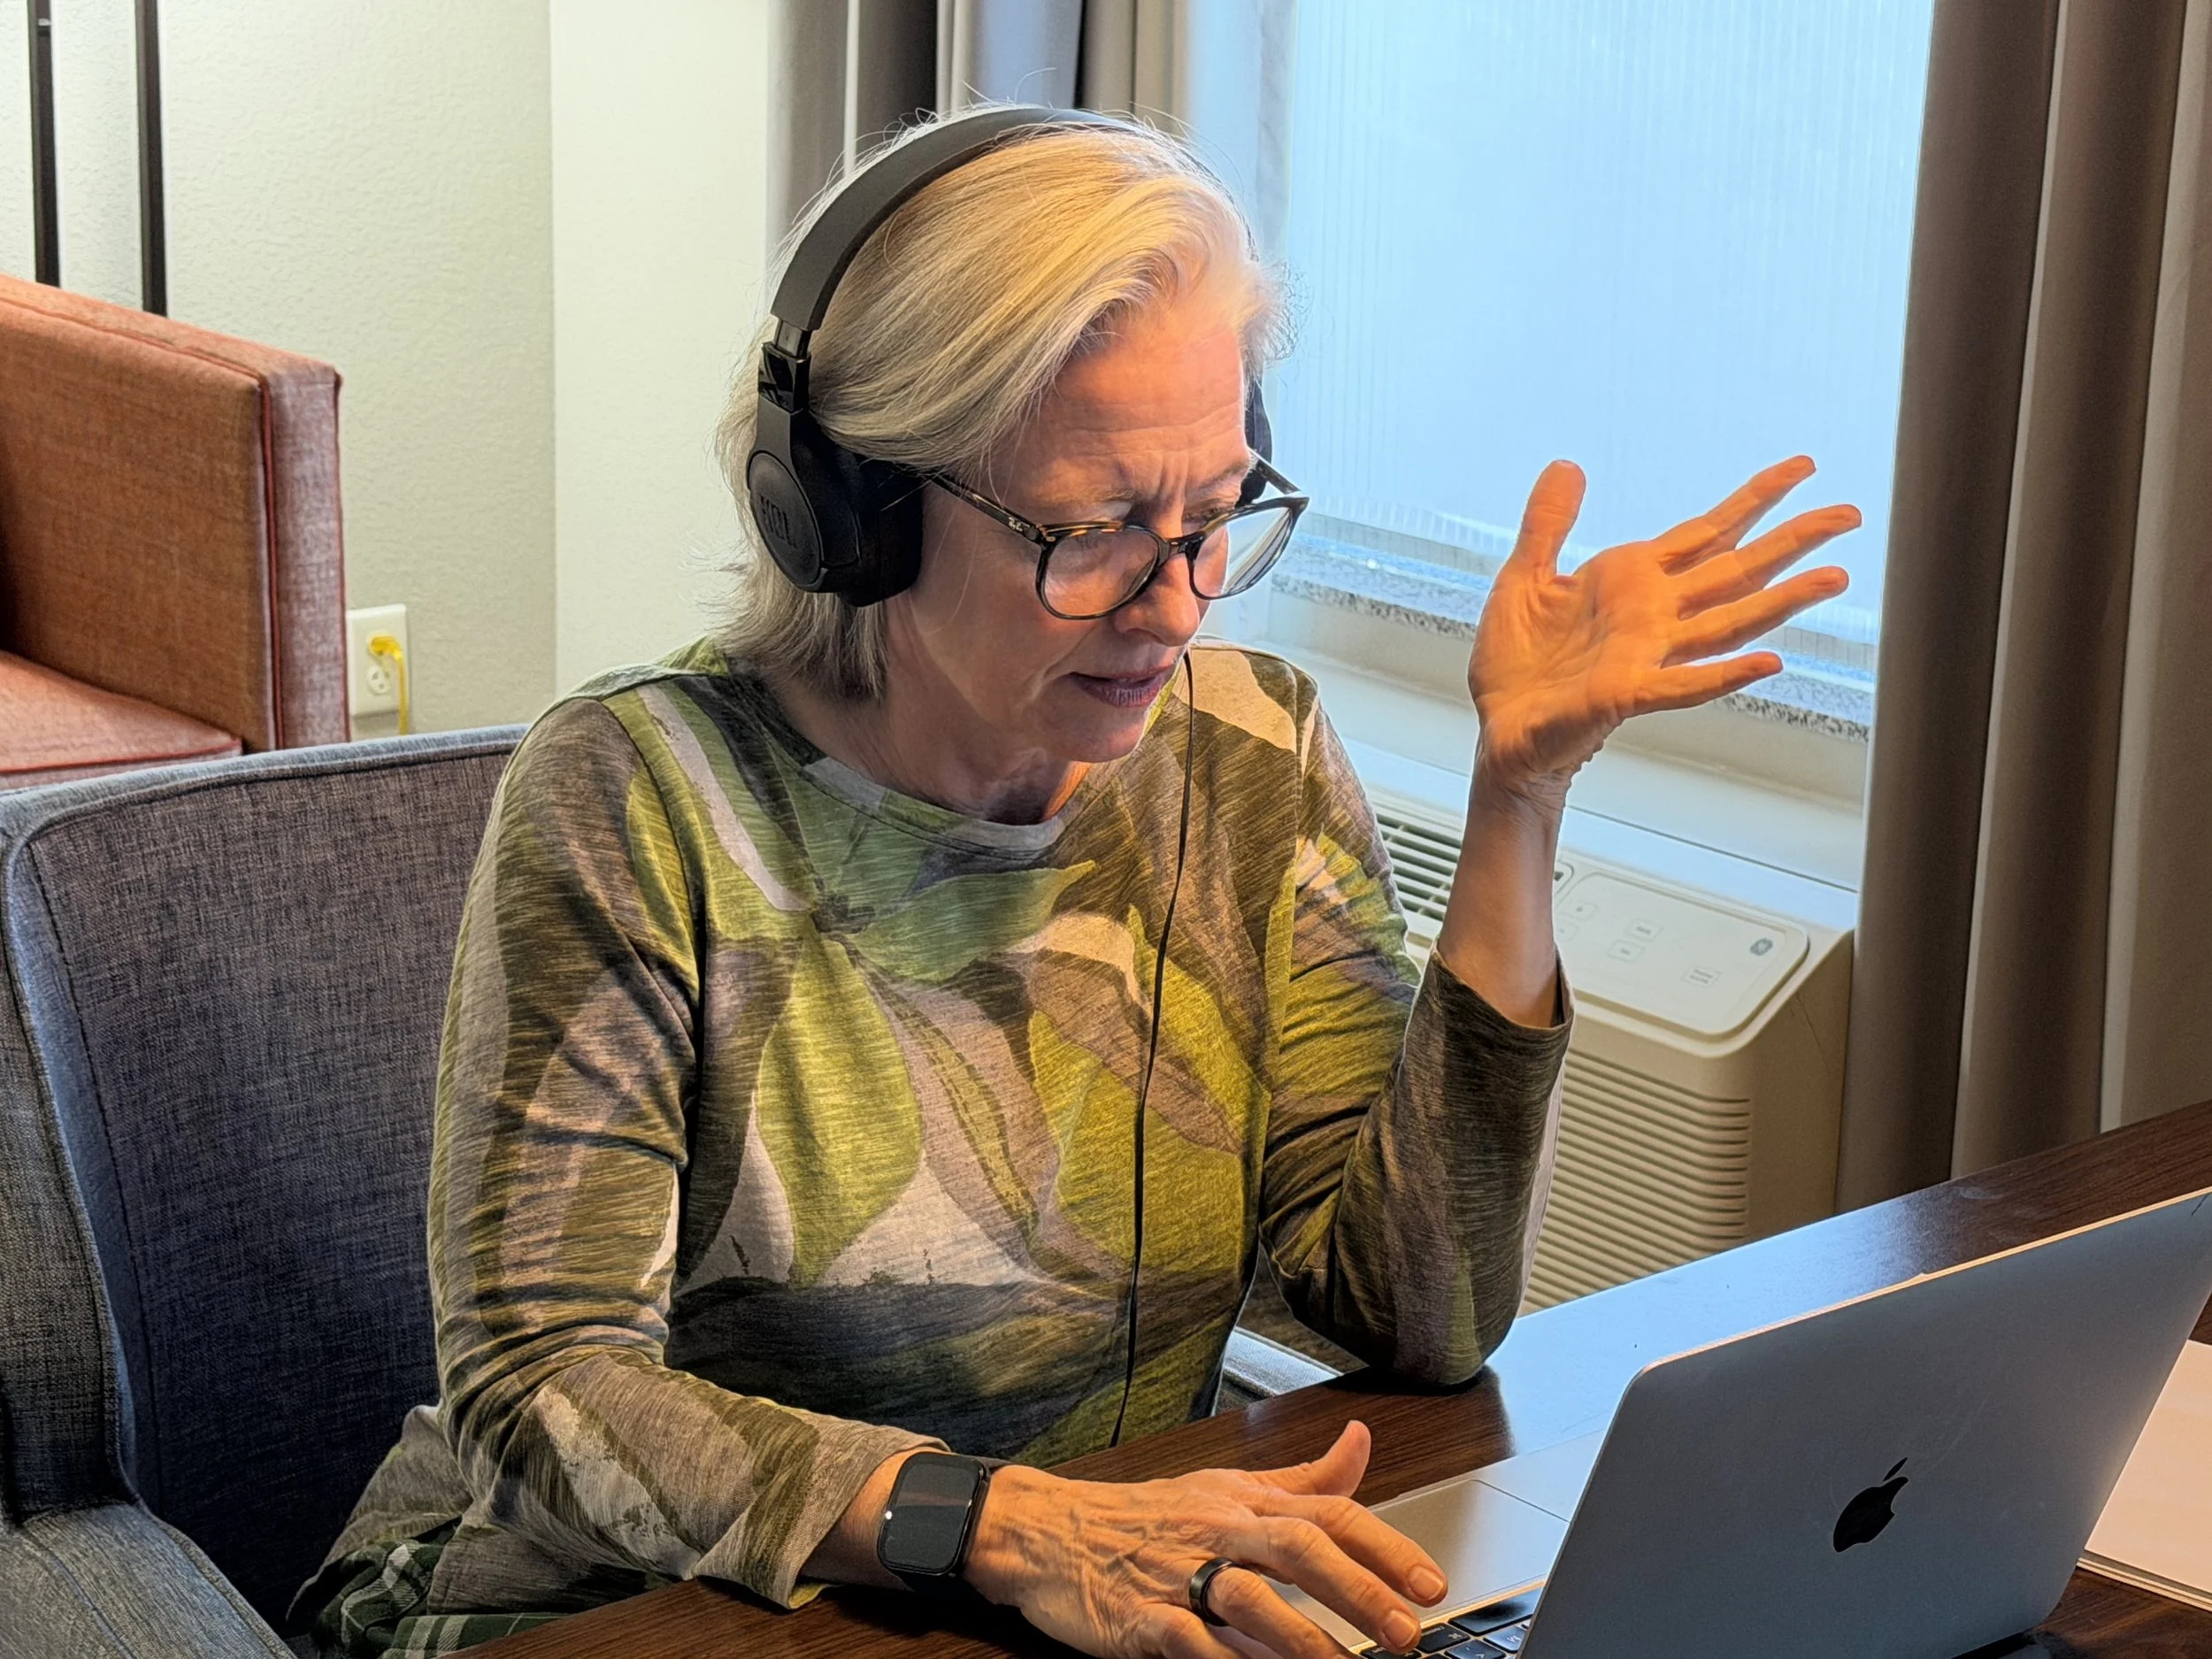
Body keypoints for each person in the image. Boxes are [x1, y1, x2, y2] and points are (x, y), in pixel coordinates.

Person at [298, 107, 1856, 1659]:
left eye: (1215, 514)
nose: (1175, 607)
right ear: (859, 509)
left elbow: (1417, 1315)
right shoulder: (636, 795)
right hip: (612, 1611)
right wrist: (1004, 1525)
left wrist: (1519, 794)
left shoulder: (1252, 752)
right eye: (1097, 530)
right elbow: (542, 1388)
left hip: (1088, 1590)